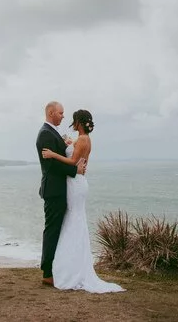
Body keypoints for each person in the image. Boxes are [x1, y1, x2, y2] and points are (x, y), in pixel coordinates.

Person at [42, 109, 125, 293]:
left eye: (73, 120)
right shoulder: (84, 139)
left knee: (73, 221)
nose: (70, 121)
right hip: (79, 183)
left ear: (78, 122)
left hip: (74, 183)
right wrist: (69, 143)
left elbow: (72, 162)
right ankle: (74, 266)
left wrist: (53, 155)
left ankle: (71, 269)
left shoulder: (82, 140)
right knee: (75, 220)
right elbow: (80, 156)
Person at [36, 101, 86, 286]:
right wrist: (75, 171)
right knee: (52, 230)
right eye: (61, 113)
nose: (63, 116)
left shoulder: (52, 132)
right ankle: (47, 273)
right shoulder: (45, 134)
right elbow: (52, 165)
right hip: (54, 190)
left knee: (58, 229)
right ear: (51, 113)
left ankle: (56, 268)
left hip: (59, 189)